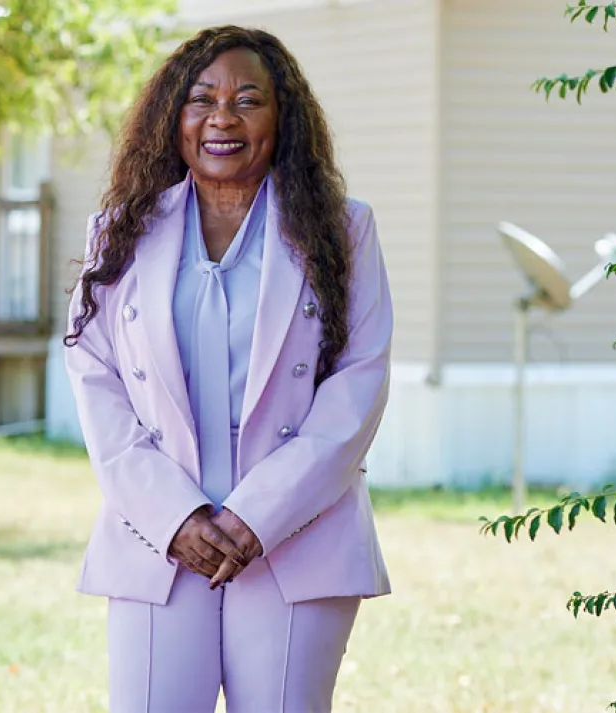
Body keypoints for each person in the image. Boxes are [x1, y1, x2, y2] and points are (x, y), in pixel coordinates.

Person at [63, 24, 393, 713]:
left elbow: (358, 384)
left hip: (296, 538)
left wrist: (256, 515)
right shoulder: (120, 230)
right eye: (201, 99)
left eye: (249, 99)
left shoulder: (343, 231)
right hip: (159, 540)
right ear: (172, 118)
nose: (223, 117)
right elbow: (95, 376)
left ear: (284, 117)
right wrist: (174, 515)